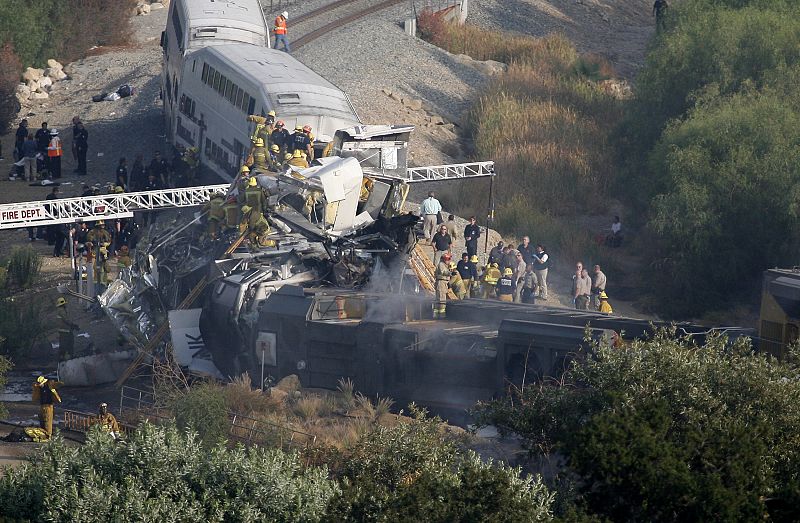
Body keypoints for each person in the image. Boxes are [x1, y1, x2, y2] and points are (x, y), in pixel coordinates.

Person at [32, 375, 61, 440]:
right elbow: (35, 396)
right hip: (42, 405)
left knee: (48, 421)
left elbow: (55, 388)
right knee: (42, 419)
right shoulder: (40, 388)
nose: (39, 385)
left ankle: (48, 435)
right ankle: (43, 434)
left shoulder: (48, 387)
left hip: (48, 406)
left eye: (40, 384)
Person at [433, 253, 451, 318]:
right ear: (444, 259)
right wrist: (450, 273)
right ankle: (441, 315)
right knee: (441, 299)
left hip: (443, 283)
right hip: (441, 283)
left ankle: (437, 314)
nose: (449, 261)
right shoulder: (441, 264)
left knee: (441, 299)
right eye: (448, 259)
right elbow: (443, 272)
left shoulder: (445, 265)